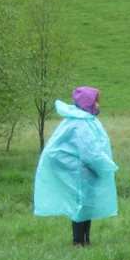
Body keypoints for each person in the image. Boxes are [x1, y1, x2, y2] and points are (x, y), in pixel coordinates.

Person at [34, 86, 119, 246]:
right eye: (96, 102)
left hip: (83, 170)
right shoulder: (81, 124)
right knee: (80, 206)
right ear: (88, 103)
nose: (99, 105)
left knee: (86, 206)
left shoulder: (81, 119)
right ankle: (78, 242)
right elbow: (90, 152)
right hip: (79, 172)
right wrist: (108, 167)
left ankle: (85, 240)